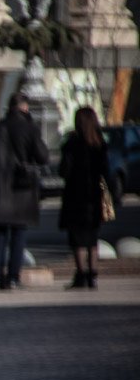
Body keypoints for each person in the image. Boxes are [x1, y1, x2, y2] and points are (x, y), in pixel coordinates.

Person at [0, 91, 49, 290]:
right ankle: (13, 277)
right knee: (18, 232)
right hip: (21, 188)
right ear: (24, 107)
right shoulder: (30, 128)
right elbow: (43, 156)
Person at [58, 107, 110, 289]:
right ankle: (93, 275)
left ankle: (81, 274)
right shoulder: (99, 143)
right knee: (92, 237)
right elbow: (106, 171)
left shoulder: (72, 144)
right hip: (94, 196)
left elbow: (64, 170)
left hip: (75, 197)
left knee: (77, 238)